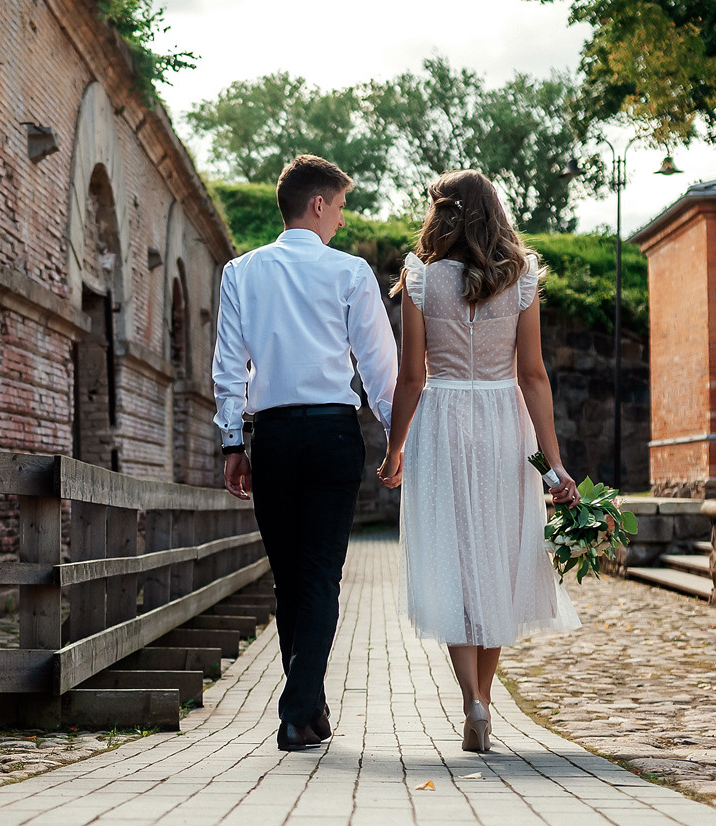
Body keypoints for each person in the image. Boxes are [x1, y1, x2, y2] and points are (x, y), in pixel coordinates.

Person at [377, 170, 581, 752]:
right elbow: (534, 376)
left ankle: (469, 697)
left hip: (441, 423)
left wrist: (395, 448)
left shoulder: (420, 280)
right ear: (495, 211)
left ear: (443, 212)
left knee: (453, 561)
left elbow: (412, 377)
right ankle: (485, 702)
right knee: (495, 559)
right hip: (502, 423)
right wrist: (553, 464)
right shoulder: (520, 281)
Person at [212, 155, 399, 753]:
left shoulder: (241, 272)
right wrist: (396, 442)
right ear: (317, 204)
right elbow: (379, 368)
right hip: (332, 434)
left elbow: (228, 368)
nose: (342, 220)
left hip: (272, 437)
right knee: (317, 573)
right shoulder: (350, 274)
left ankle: (305, 704)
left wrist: (232, 441)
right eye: (340, 206)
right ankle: (300, 711)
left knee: (290, 577)